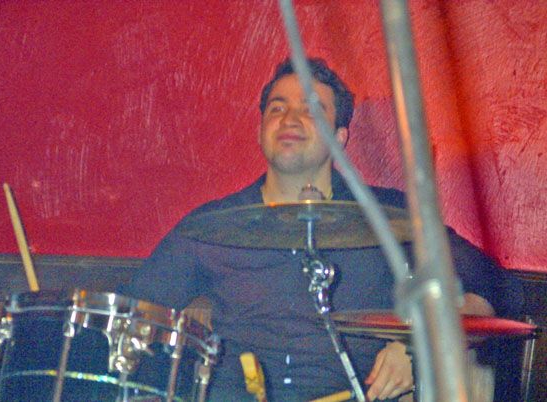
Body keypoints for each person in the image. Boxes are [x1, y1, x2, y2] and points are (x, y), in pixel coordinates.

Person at [120, 57, 510, 401]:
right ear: (261, 129)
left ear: (340, 139)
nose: (289, 119)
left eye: (311, 110)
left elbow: (495, 288)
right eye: (277, 108)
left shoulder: (388, 217)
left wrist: (418, 347)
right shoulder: (212, 226)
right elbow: (133, 312)